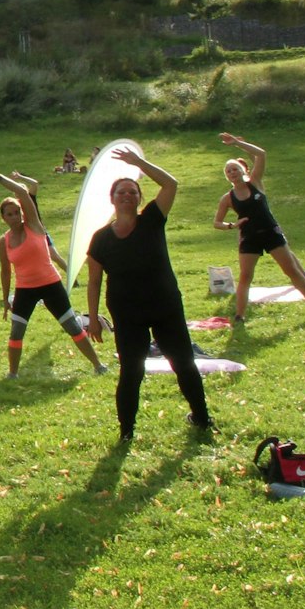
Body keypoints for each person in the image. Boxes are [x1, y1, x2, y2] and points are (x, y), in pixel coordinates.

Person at [84, 147, 212, 441]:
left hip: (165, 306)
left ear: (140, 198)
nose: (127, 196)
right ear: (112, 199)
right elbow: (93, 282)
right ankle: (126, 431)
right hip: (127, 313)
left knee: (183, 363)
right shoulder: (100, 238)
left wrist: (138, 162)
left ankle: (202, 418)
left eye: (133, 192)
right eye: (121, 192)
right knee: (131, 371)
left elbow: (170, 184)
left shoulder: (152, 219)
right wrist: (92, 319)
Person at [0, 165, 106, 378]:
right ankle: (12, 374)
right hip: (25, 289)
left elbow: (22, 192)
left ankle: (98, 365)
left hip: (51, 285)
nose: (15, 217)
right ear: (3, 218)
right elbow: (5, 272)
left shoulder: (34, 226)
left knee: (72, 327)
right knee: (16, 332)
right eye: (10, 214)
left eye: (17, 212)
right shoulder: (4, 242)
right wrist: (5, 299)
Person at [211, 132, 305, 322]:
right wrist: (232, 225)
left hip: (271, 233)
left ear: (243, 171)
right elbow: (216, 223)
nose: (232, 172)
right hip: (249, 237)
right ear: (226, 176)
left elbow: (261, 154)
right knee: (246, 276)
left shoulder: (255, 183)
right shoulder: (227, 198)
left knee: (291, 270)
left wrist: (237, 143)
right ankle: (239, 315)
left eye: (235, 169)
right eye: (228, 171)